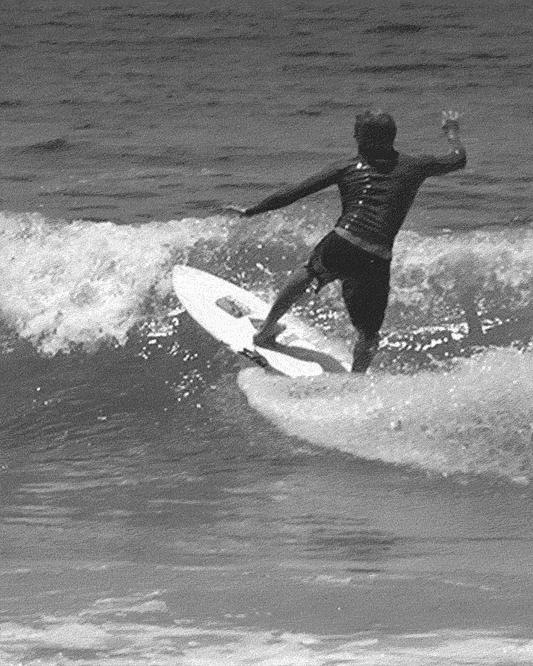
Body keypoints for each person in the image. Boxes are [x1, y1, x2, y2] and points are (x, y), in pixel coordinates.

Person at [225, 110, 466, 373]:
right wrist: (451, 130)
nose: (353, 137)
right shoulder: (416, 165)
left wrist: (252, 211)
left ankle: (266, 331)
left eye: (356, 133)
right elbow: (458, 158)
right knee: (369, 333)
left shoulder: (346, 166)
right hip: (377, 256)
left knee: (308, 271)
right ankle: (356, 380)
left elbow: (295, 192)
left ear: (362, 138)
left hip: (343, 241)